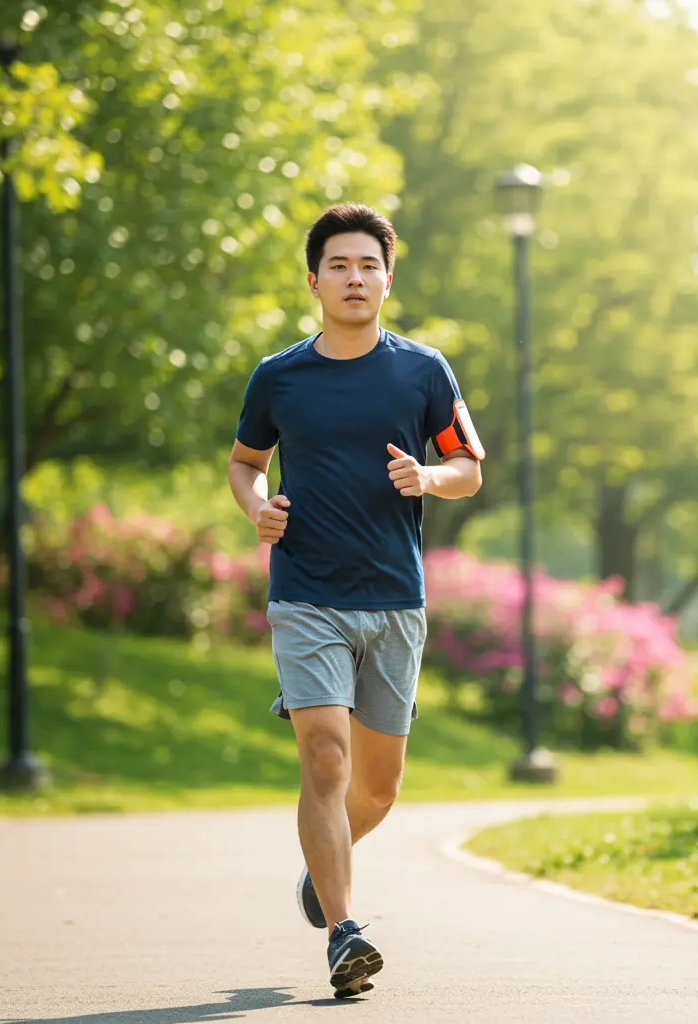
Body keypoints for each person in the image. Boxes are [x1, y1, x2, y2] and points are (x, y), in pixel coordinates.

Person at [227, 203, 485, 998]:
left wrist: (428, 478)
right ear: (314, 281)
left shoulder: (423, 370)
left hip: (395, 600)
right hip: (307, 593)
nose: (354, 278)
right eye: (338, 265)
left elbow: (469, 467)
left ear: (388, 278)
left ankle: (321, 868)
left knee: (377, 787)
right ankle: (344, 930)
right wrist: (257, 508)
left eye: (368, 265)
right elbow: (244, 464)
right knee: (326, 760)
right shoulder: (279, 376)